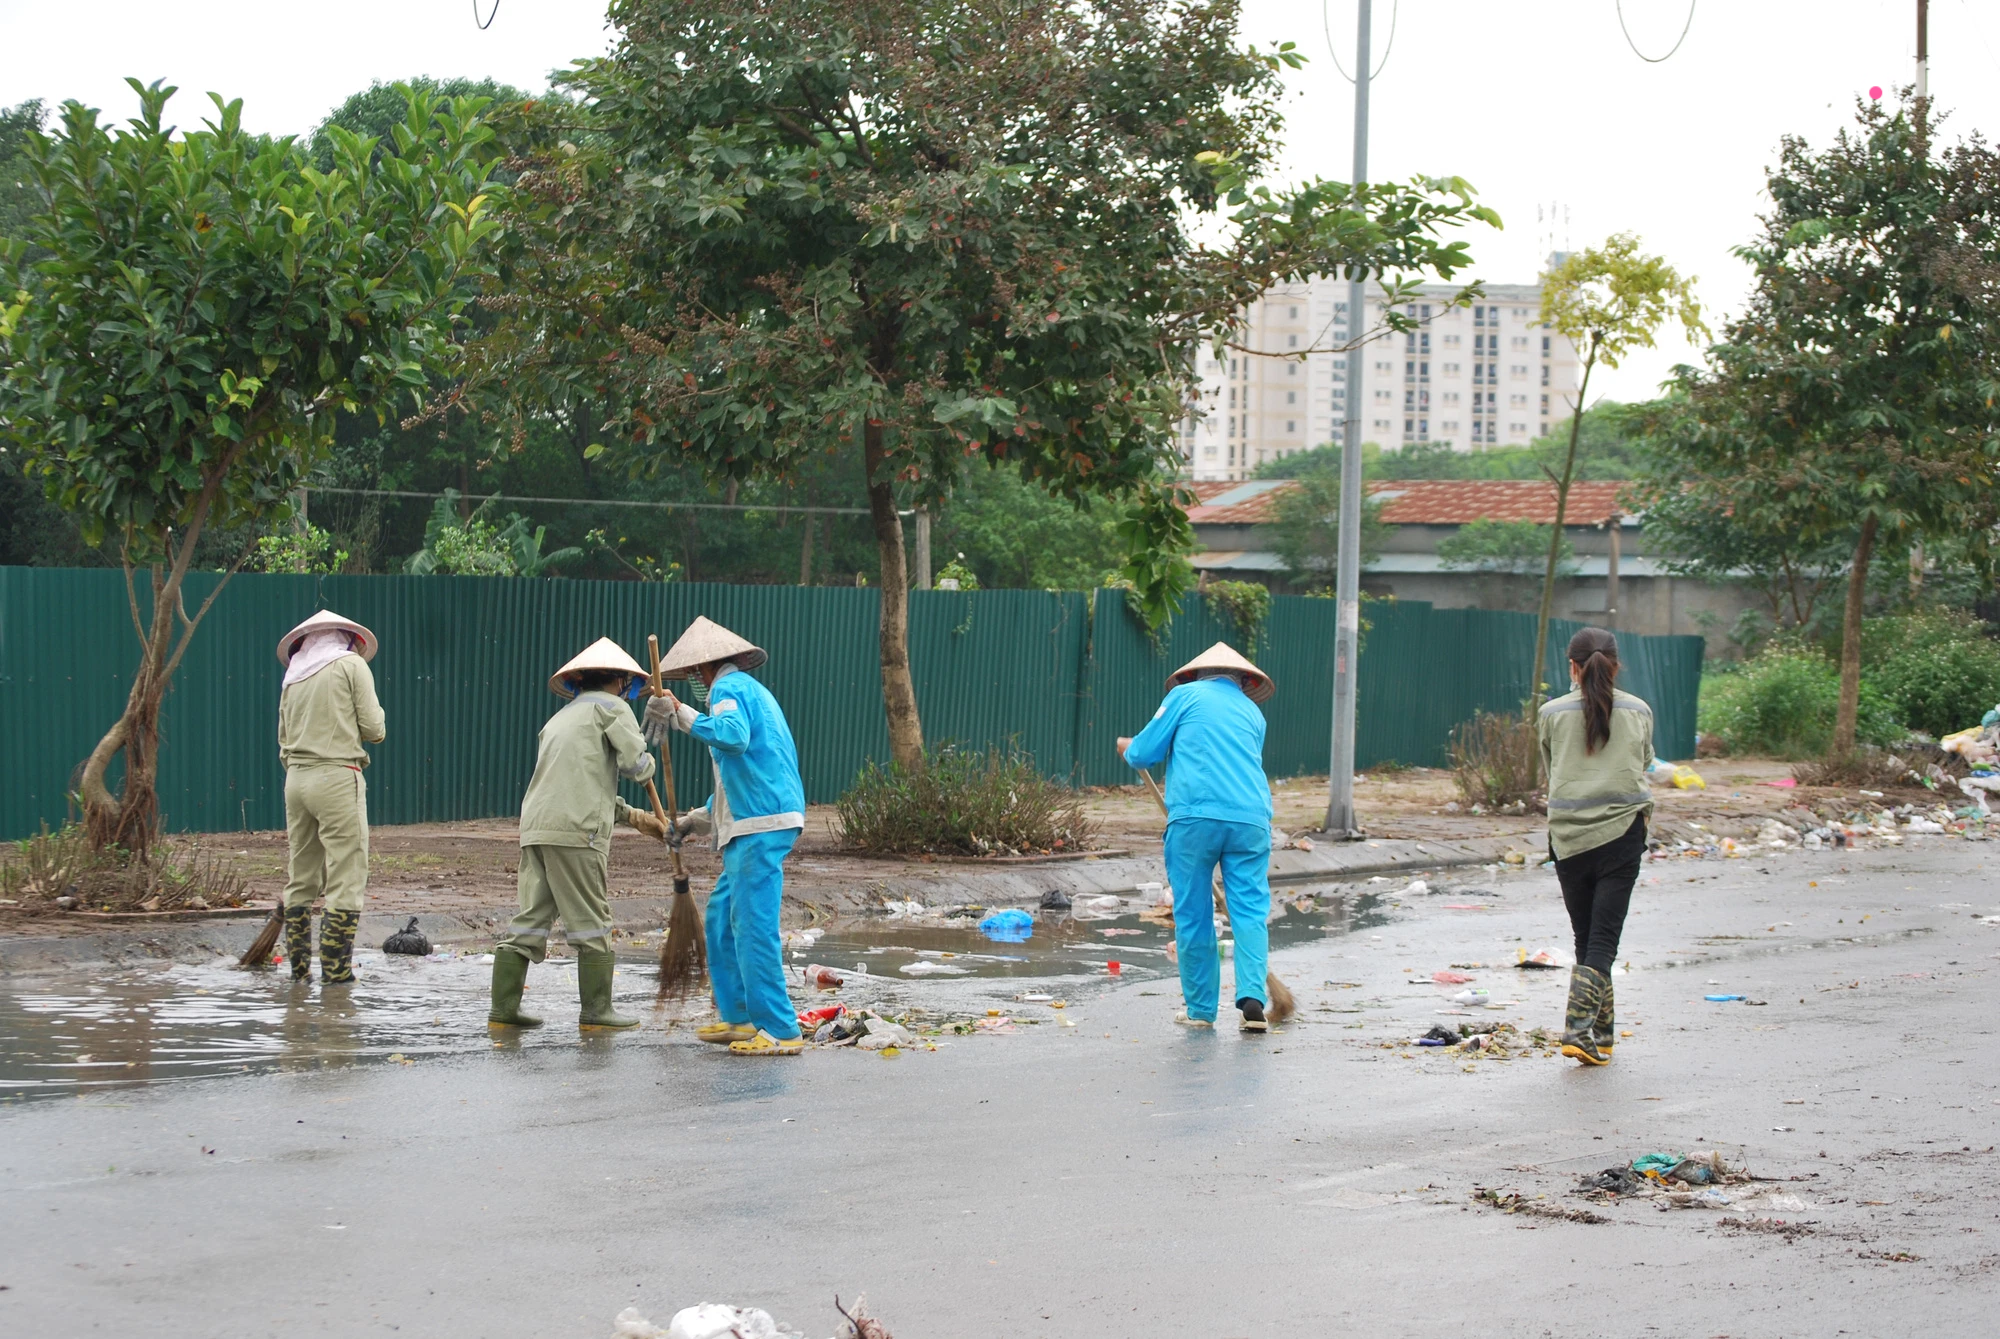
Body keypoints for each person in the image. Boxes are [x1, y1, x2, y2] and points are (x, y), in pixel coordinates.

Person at [644, 616, 807, 1057]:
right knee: (720, 919)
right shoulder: (748, 692)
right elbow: (739, 777)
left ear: (707, 669)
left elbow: (733, 738)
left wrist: (679, 714)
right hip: (754, 819)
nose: (697, 680)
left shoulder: (729, 689)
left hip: (762, 823)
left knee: (752, 927)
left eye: (697, 673)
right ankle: (740, 1018)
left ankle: (779, 1029)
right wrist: (692, 822)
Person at [488, 638, 667, 1030]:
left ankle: (503, 1010)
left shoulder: (560, 719)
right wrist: (651, 762)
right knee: (593, 921)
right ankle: (597, 1011)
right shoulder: (613, 708)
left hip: (537, 829)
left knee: (531, 918)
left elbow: (581, 786)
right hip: (578, 834)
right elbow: (637, 765)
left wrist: (640, 819)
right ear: (620, 680)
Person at [1117, 642, 1275, 1033]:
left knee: (1194, 913)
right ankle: (1253, 999)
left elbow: (1143, 754)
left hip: (1195, 820)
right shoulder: (1254, 713)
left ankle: (1202, 1010)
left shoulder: (1183, 696)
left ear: (1196, 674)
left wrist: (1127, 747)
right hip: (1252, 820)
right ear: (1242, 681)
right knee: (1250, 911)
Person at [1538, 627, 1655, 1067]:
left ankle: (1601, 1037)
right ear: (1615, 665)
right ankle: (1577, 1027)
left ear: (1572, 666)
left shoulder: (1551, 713)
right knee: (1604, 939)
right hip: (1622, 834)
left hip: (1568, 837)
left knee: (1586, 937)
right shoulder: (1639, 710)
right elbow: (1643, 762)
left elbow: (1551, 768)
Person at [276, 610, 386, 986]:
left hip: (296, 781)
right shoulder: (351, 666)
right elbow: (374, 729)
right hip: (337, 776)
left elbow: (282, 740)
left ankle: (299, 972)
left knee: (301, 875)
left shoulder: (293, 677)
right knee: (346, 873)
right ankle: (337, 975)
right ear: (346, 638)